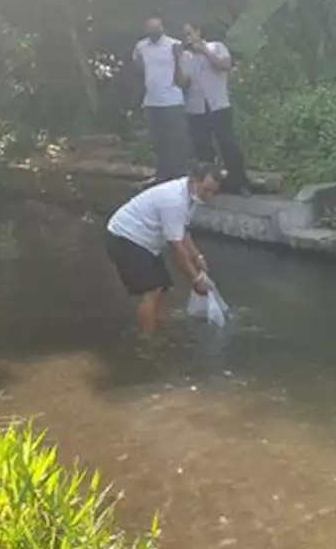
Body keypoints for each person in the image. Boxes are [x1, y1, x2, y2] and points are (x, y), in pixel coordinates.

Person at [105, 163, 220, 334]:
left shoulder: (192, 196)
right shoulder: (174, 200)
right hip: (125, 238)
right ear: (195, 181)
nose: (209, 196)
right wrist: (195, 280)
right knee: (152, 290)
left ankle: (161, 330)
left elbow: (183, 231)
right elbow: (177, 249)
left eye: (213, 192)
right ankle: (147, 340)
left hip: (146, 242)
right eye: (207, 190)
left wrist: (198, 257)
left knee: (163, 288)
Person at [180, 24, 251, 194]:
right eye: (184, 36)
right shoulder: (185, 57)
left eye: (190, 33)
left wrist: (204, 50)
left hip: (218, 105)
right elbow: (183, 84)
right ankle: (210, 185)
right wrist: (176, 61)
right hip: (196, 108)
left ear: (198, 32)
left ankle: (240, 183)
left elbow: (224, 65)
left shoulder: (216, 47)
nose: (187, 38)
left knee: (228, 145)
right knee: (203, 149)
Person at [134, 17, 192, 182]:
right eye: (151, 29)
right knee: (159, 142)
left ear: (162, 28)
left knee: (177, 141)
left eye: (157, 28)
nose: (154, 32)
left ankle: (181, 178)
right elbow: (139, 65)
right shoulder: (141, 46)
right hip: (152, 102)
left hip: (172, 100)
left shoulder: (174, 45)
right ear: (146, 30)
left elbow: (184, 75)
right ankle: (162, 177)